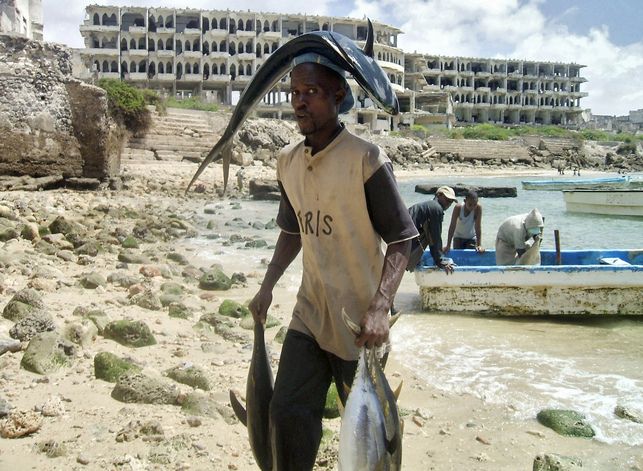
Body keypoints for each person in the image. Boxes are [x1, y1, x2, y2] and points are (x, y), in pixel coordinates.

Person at [248, 53, 418, 470]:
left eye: (312, 92)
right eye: (295, 93)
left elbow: (402, 239)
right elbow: (292, 231)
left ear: (338, 95)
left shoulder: (366, 159)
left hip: (361, 325)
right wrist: (268, 286)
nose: (300, 102)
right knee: (286, 414)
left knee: (368, 436)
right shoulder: (287, 161)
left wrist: (381, 307)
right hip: (310, 311)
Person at [406, 186, 458, 274]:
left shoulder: (427, 206)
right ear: (438, 195)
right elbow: (435, 237)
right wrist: (440, 261)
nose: (449, 204)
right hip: (406, 240)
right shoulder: (436, 208)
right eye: (447, 200)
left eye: (451, 202)